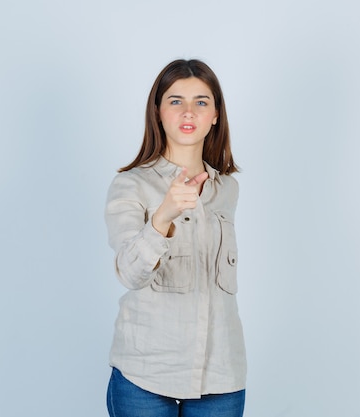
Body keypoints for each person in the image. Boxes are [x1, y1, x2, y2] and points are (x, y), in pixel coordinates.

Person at [104, 59, 246, 417]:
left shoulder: (227, 189)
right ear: (158, 111)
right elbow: (129, 272)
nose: (188, 111)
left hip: (221, 375)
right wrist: (163, 216)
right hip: (145, 374)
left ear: (215, 114)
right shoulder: (130, 184)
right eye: (175, 100)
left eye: (201, 101)